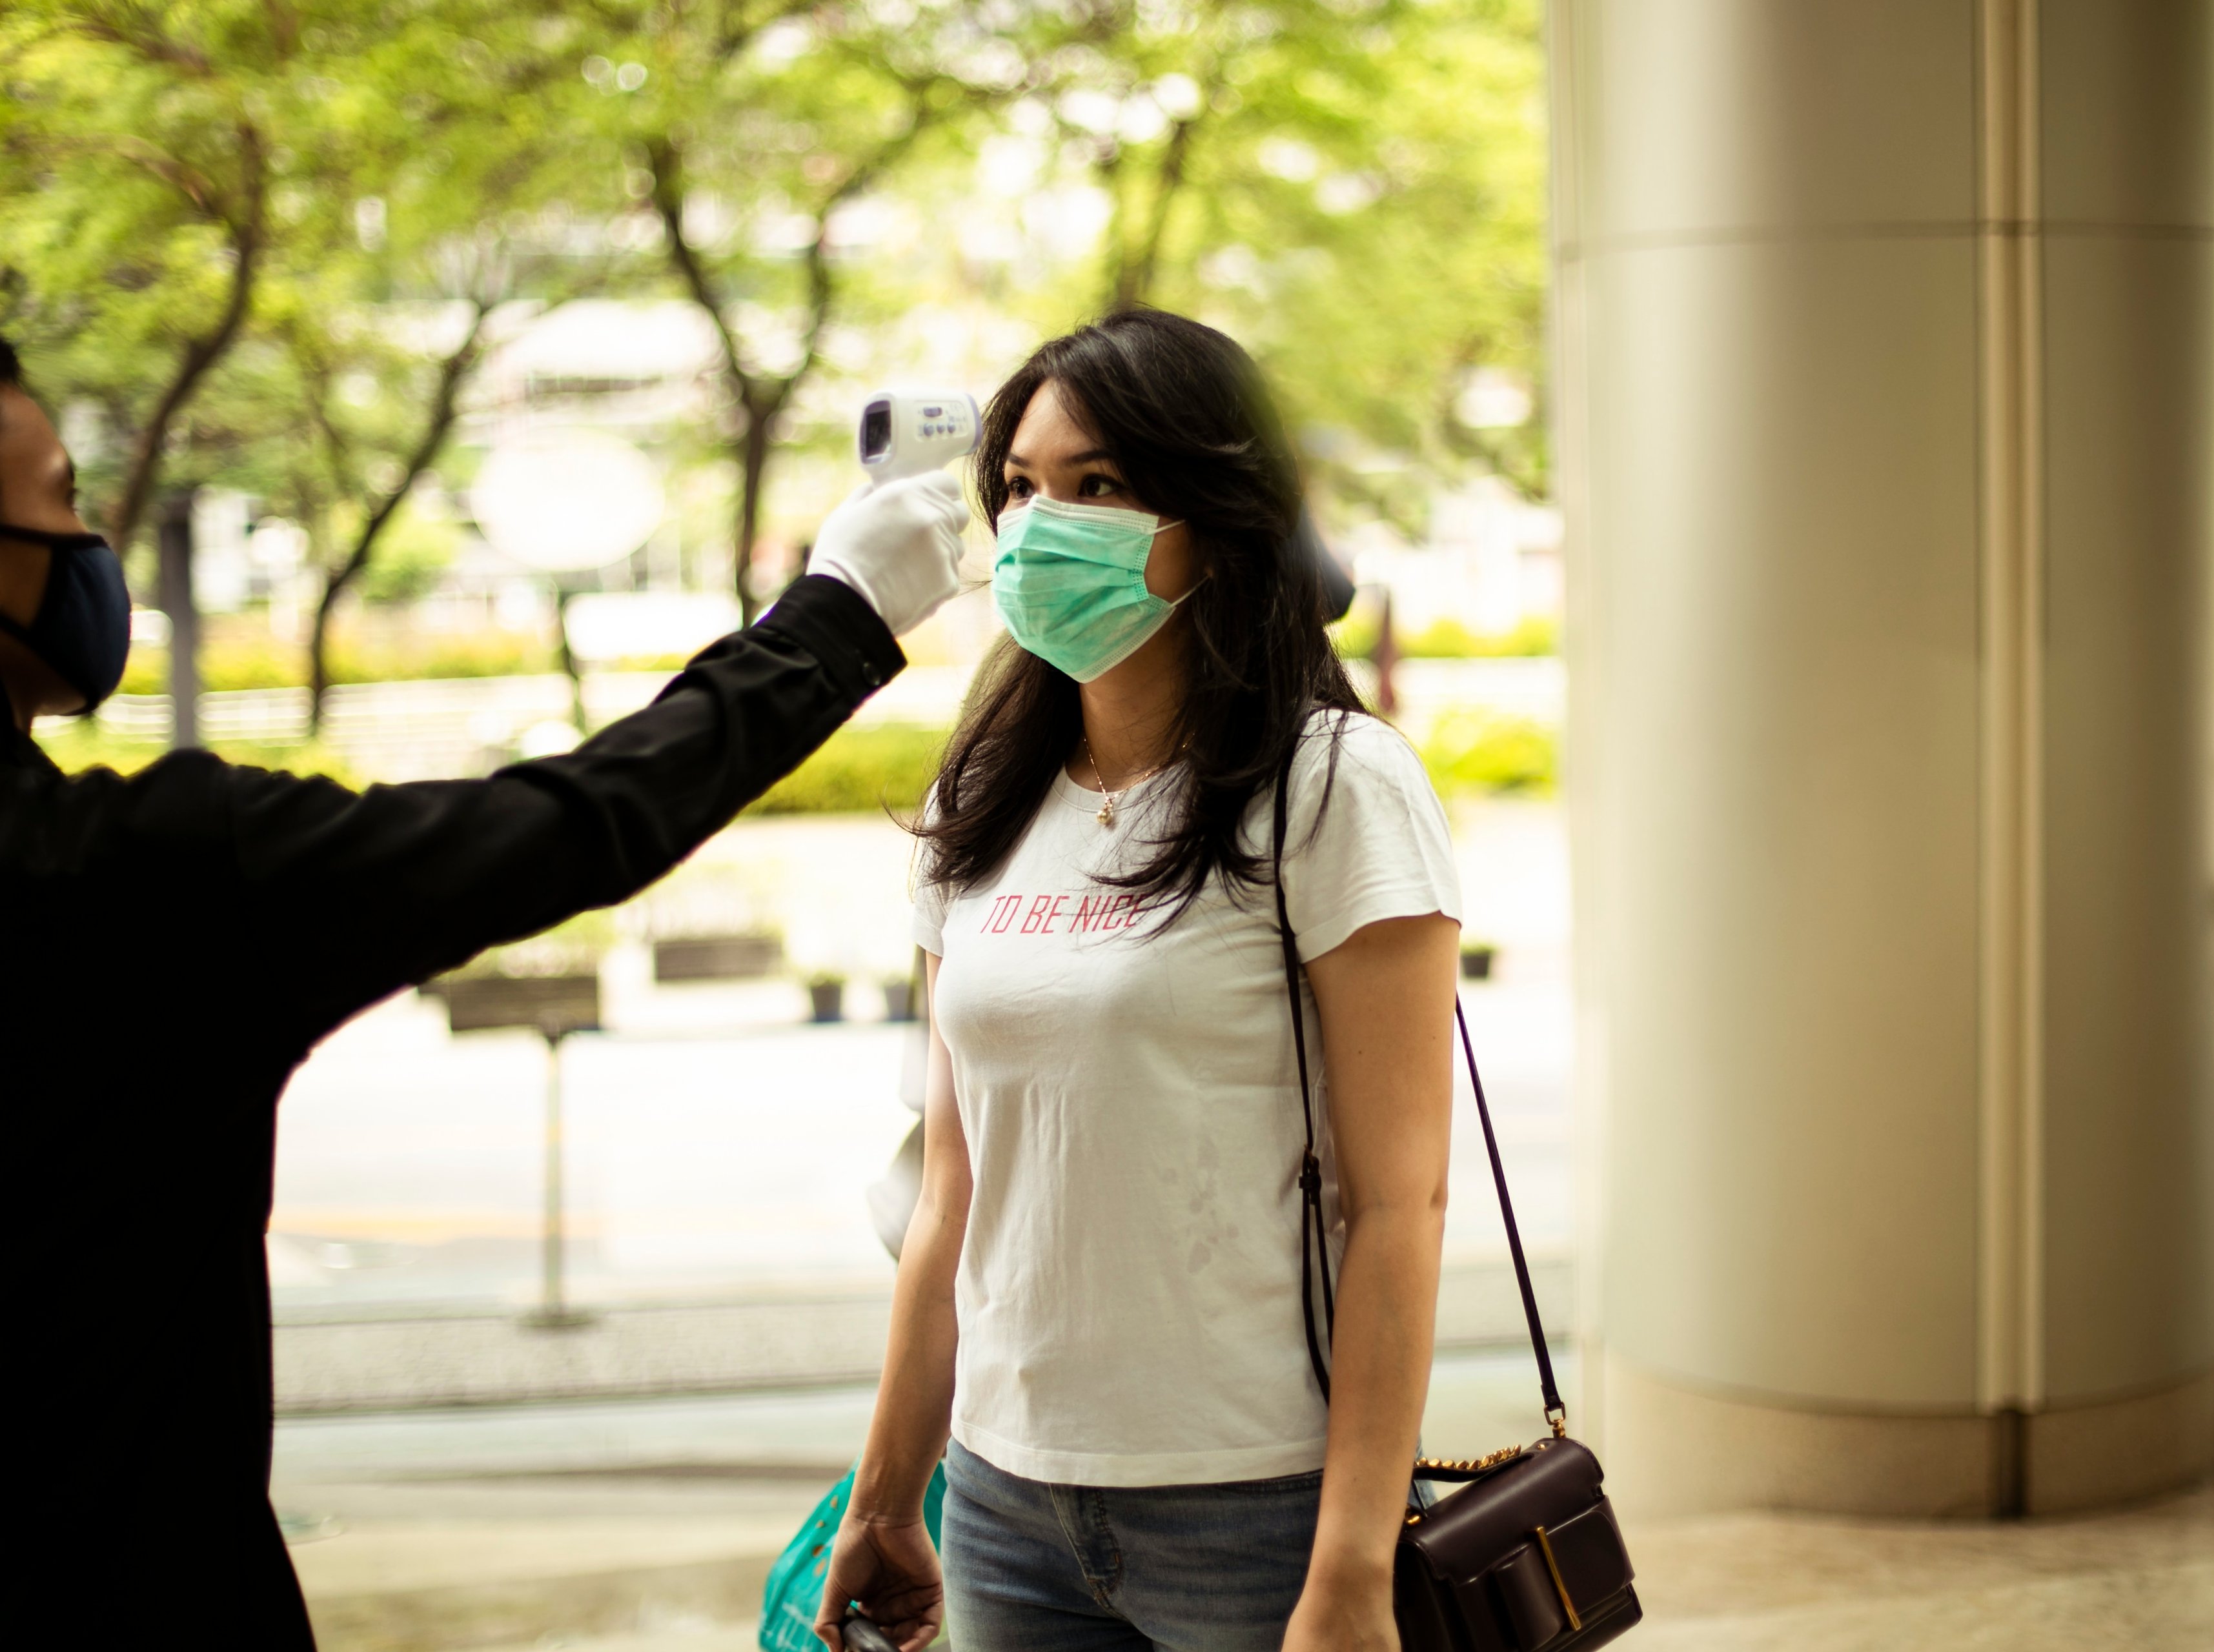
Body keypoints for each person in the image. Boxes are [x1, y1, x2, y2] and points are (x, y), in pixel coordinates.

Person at [0, 336, 970, 1646]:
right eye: (59, 500)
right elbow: (572, 822)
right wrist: (840, 616)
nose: (87, 542)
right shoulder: (151, 877)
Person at [823, 309, 1463, 1652]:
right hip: (1004, 1498)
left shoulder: (1334, 784)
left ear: (1217, 519)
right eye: (1020, 485)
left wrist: (1349, 1562)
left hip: (1256, 1505)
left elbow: (1399, 1203)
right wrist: (889, 1491)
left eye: (1099, 485)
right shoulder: (982, 795)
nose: (1044, 521)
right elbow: (952, 1188)